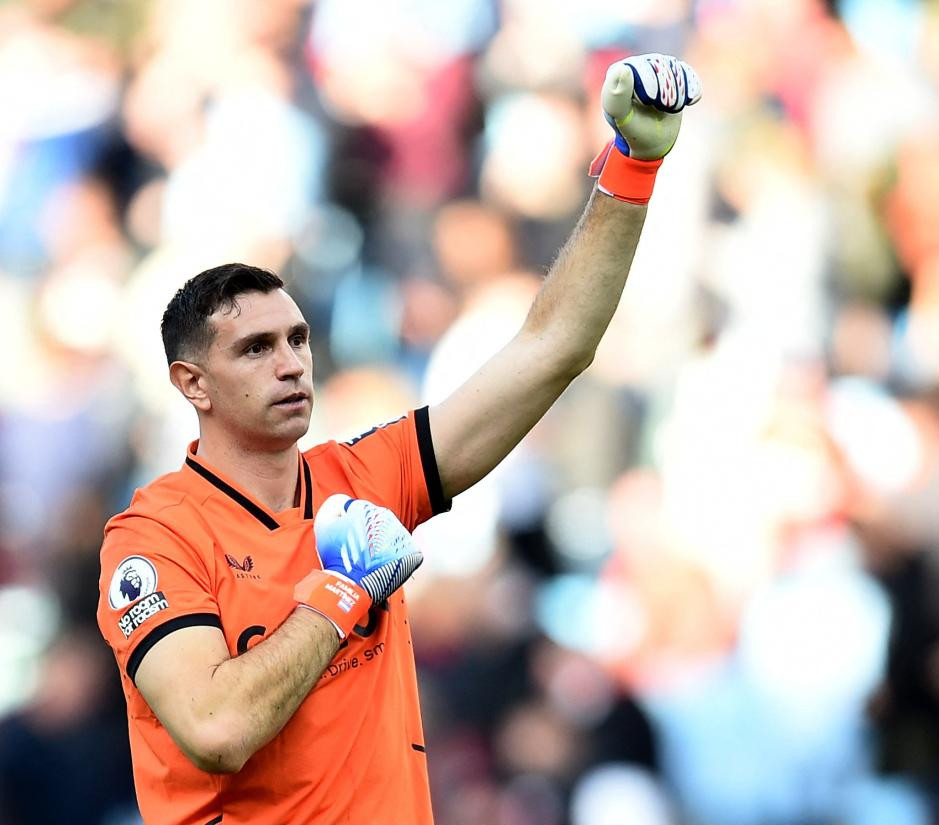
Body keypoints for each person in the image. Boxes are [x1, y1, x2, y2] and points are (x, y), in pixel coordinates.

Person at [96, 53, 701, 825]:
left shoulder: (363, 477)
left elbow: (553, 348)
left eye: (298, 340)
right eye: (256, 348)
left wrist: (633, 167)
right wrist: (341, 593)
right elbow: (217, 728)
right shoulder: (154, 536)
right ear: (192, 384)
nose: (290, 364)